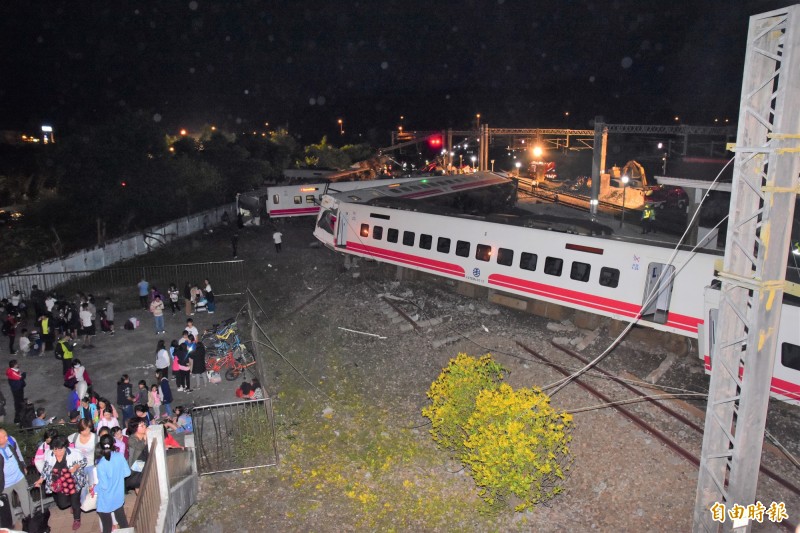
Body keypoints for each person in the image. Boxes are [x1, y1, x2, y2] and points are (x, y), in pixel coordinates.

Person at [35, 435, 87, 531]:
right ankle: (73, 503)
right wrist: (41, 480)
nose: (57, 452)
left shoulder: (74, 453)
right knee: (62, 504)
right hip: (59, 482)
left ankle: (77, 519)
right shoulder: (49, 455)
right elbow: (46, 469)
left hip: (73, 481)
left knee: (75, 503)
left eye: (60, 450)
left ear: (65, 447)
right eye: (55, 450)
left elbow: (84, 461)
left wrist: (76, 466)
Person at [95, 434, 131, 533]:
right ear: (113, 444)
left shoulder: (101, 464)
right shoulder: (119, 456)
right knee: (123, 522)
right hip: (118, 496)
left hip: (106, 500)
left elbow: (104, 486)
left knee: (107, 527)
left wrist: (94, 488)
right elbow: (127, 472)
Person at [0, 428, 32, 522]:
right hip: (5, 484)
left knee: (26, 500)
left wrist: (23, 466)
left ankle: (30, 521)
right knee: (7, 507)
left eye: (4, 436)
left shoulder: (11, 441)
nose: (5, 438)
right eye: (1, 437)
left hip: (19, 477)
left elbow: (18, 454)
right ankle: (11, 524)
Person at [125, 417, 149, 492]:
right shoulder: (131, 439)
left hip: (146, 459)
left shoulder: (148, 434)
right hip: (137, 463)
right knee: (138, 482)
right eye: (141, 426)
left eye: (144, 424)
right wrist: (145, 439)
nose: (144, 427)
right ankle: (142, 501)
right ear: (135, 428)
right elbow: (140, 447)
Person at [5, 360, 25, 424]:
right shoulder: (12, 372)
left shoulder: (11, 370)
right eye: (16, 364)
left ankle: (20, 412)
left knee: (19, 401)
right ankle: (17, 419)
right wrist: (23, 375)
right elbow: (20, 377)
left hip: (17, 387)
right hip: (17, 389)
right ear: (14, 365)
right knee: (18, 402)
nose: (18, 364)